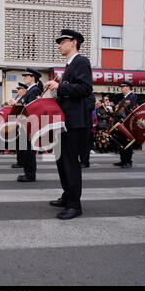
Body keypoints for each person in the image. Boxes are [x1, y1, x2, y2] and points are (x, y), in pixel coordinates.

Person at [44, 29, 93, 220]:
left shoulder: (81, 61)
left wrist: (60, 86)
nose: (59, 45)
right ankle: (67, 195)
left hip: (74, 122)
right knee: (61, 162)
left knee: (70, 163)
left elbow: (85, 88)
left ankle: (74, 205)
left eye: (62, 42)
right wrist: (56, 89)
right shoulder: (69, 65)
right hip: (65, 121)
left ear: (73, 42)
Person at [16, 68, 43, 182]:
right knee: (27, 150)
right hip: (26, 124)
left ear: (33, 78)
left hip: (30, 125)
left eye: (26, 76)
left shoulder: (35, 90)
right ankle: (28, 173)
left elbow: (33, 109)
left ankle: (30, 175)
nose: (24, 78)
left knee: (29, 151)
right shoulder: (31, 90)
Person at [112, 80, 138, 168]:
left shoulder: (132, 97)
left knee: (127, 143)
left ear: (127, 87)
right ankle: (123, 160)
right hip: (121, 122)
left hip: (126, 122)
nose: (121, 88)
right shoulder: (125, 97)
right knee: (122, 142)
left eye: (122, 87)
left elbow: (131, 110)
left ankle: (128, 161)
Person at [10, 83, 28, 169]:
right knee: (19, 144)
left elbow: (22, 108)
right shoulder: (20, 98)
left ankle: (22, 162)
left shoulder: (24, 98)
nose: (18, 91)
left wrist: (15, 103)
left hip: (23, 123)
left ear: (24, 90)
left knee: (22, 144)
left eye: (19, 89)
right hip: (18, 123)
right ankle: (20, 161)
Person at [80, 94, 96, 168]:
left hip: (86, 123)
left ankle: (85, 161)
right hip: (78, 122)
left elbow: (90, 107)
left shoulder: (90, 96)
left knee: (85, 144)